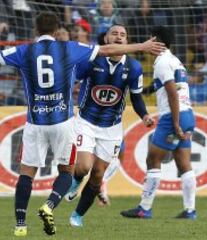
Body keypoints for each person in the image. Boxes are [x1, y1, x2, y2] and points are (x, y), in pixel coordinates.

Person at [0, 12, 164, 236]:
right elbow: (106, 50)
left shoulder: (24, 51)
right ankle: (51, 204)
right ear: (57, 30)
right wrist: (141, 46)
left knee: (26, 174)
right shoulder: (70, 49)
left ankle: (21, 225)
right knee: (68, 171)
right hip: (63, 122)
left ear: (35, 29)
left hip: (35, 122)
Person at [66, 24, 154, 227]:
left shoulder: (134, 67)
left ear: (127, 41)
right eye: (114, 33)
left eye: (123, 34)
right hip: (86, 121)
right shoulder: (92, 60)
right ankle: (77, 180)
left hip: (112, 127)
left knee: (97, 175)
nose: (119, 36)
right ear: (106, 39)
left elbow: (137, 98)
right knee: (83, 166)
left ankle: (77, 215)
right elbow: (71, 82)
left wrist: (145, 115)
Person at [121, 25, 197, 220]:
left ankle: (144, 208)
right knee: (184, 163)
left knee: (152, 159)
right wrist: (148, 91)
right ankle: (190, 210)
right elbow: (173, 87)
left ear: (155, 40)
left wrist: (175, 122)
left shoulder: (162, 62)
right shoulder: (176, 61)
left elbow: (172, 92)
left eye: (150, 38)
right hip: (189, 114)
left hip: (174, 116)